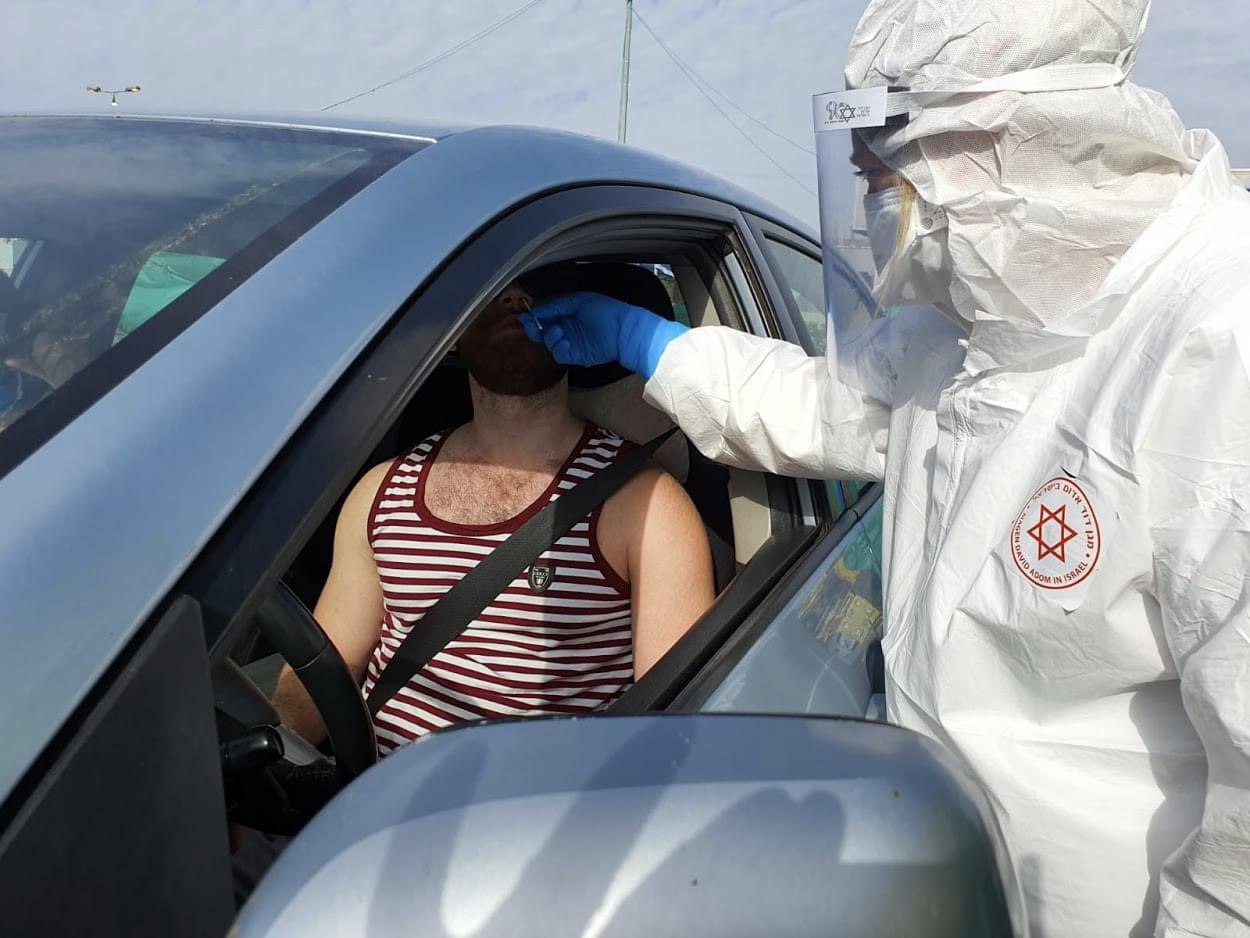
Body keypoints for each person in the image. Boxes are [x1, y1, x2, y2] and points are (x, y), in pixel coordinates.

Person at [520, 2, 1250, 935]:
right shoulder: (966, 326)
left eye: (882, 175)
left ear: (986, 139)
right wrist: (650, 342)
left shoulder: (1216, 344)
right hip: (939, 875)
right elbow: (820, 407)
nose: (872, 207)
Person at [272, 280, 715, 753]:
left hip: (540, 795)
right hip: (378, 789)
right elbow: (320, 679)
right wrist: (262, 764)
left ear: (575, 326)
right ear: (454, 337)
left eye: (535, 288)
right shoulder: (382, 490)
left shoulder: (646, 504)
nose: (514, 299)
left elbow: (672, 731)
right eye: (493, 290)